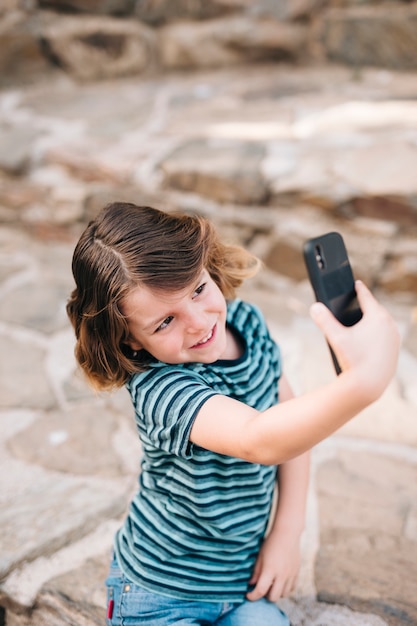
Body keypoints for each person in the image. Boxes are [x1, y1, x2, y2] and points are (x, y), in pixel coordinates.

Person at [66, 202, 400, 626]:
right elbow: (258, 439)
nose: (199, 322)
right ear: (129, 342)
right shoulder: (160, 388)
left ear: (206, 266)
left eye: (198, 290)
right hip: (160, 593)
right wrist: (363, 384)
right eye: (165, 321)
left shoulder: (246, 323)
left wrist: (286, 532)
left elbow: (288, 416)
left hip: (241, 585)